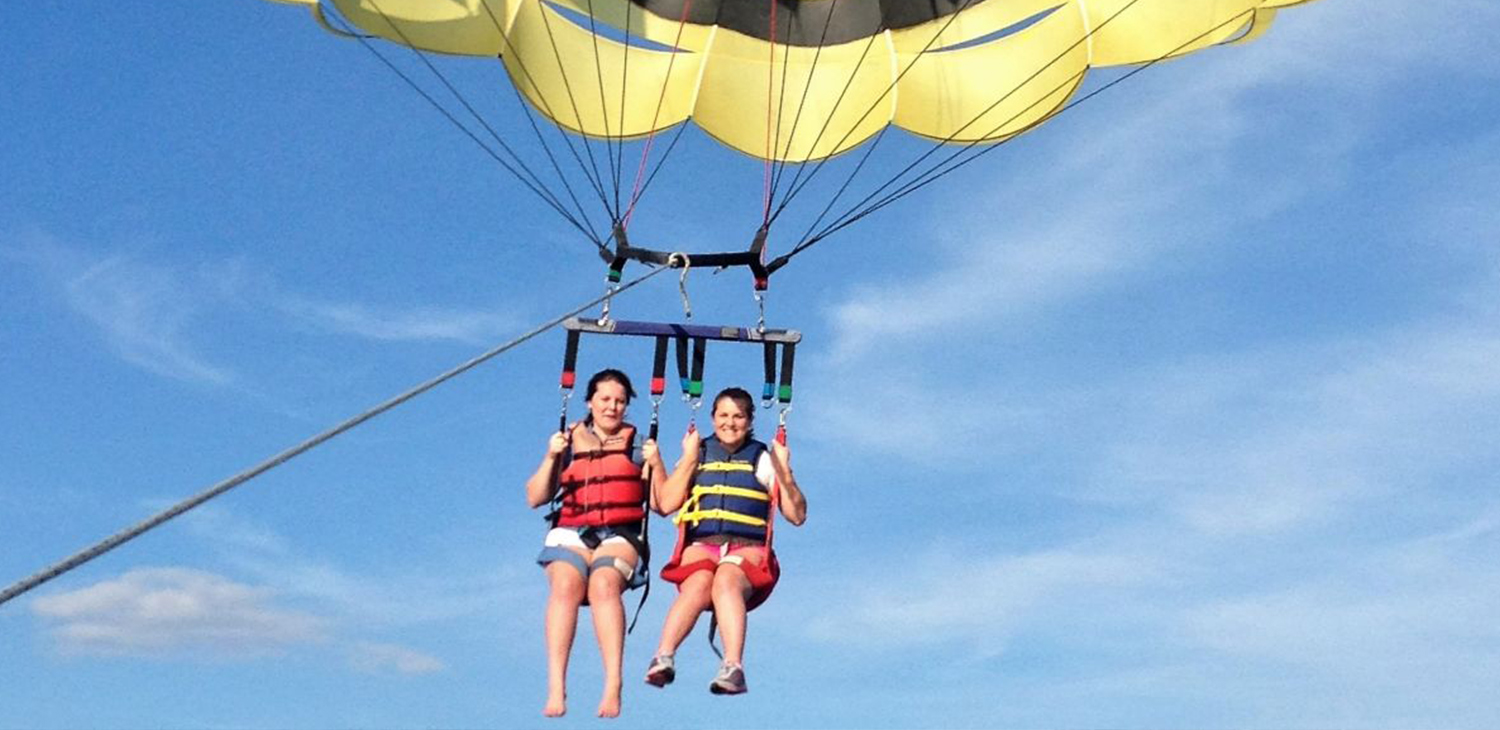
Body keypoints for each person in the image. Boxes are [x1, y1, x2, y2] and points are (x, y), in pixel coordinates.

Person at [643, 387, 807, 695]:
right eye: (723, 415)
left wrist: (783, 468)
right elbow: (665, 504)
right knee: (699, 583)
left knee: (726, 581)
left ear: (749, 420)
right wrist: (689, 457)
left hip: (747, 547)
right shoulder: (699, 454)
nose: (730, 423)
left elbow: (796, 515)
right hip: (703, 544)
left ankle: (733, 666)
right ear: (712, 418)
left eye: (738, 416)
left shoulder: (763, 459)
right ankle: (663, 656)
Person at [525, 368, 666, 718]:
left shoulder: (636, 446)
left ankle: (612, 683)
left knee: (603, 584)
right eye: (605, 399)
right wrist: (551, 456)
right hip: (572, 530)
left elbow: (662, 504)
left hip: (621, 533)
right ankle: (557, 686)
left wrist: (656, 463)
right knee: (565, 586)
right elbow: (535, 497)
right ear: (590, 401)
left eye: (619, 401)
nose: (612, 407)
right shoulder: (567, 442)